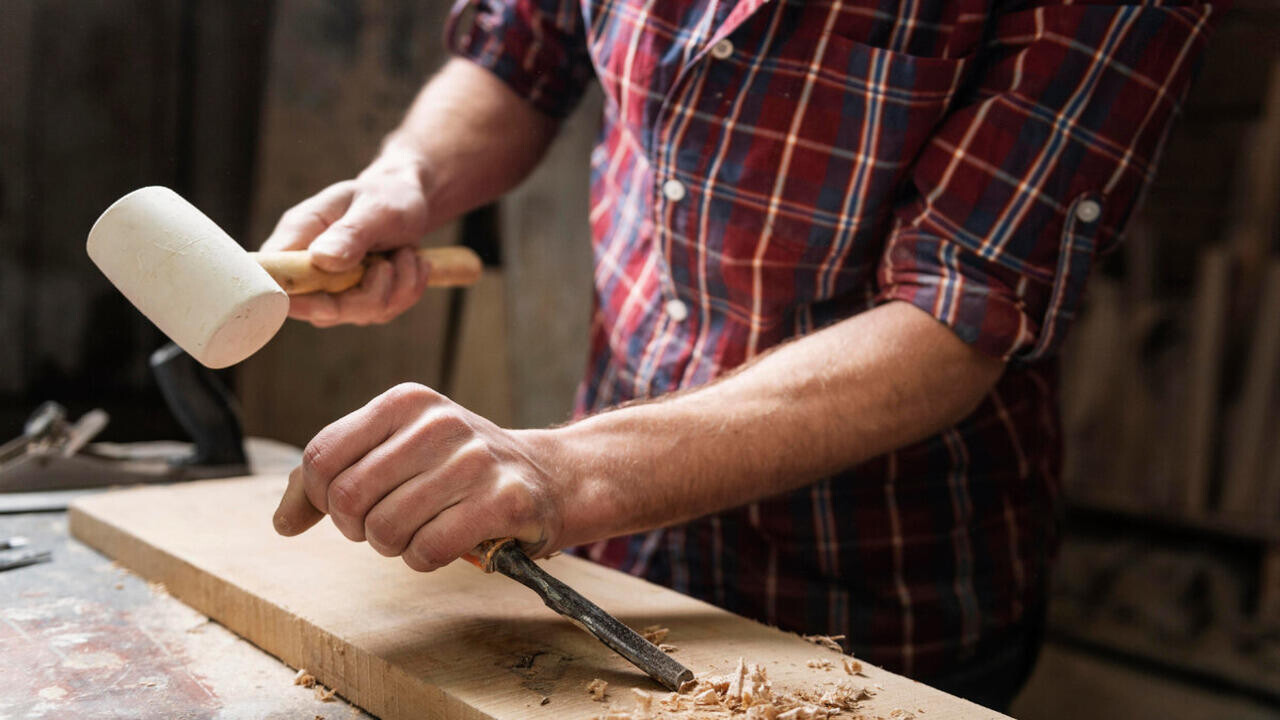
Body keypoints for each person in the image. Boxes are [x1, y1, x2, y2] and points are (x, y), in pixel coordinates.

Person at [266, 0, 1221, 710]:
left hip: (879, 584)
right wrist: (411, 175)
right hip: (614, 549)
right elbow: (523, 51)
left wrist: (563, 472)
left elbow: (953, 318)